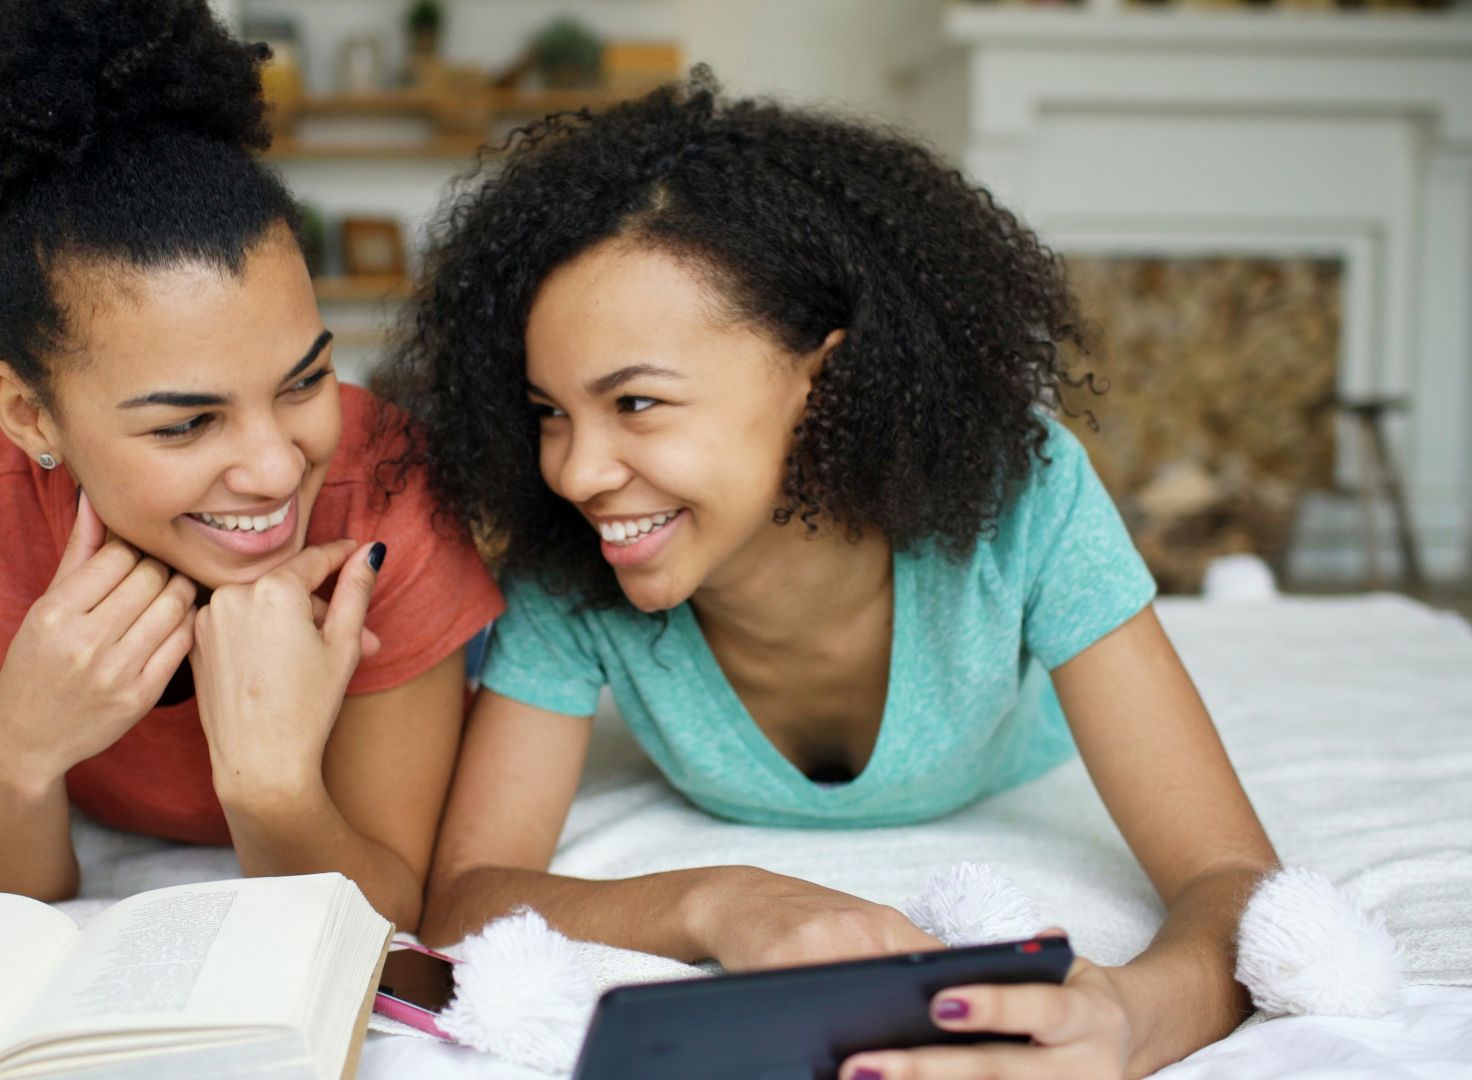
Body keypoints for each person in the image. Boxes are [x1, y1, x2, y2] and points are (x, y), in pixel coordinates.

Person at [377, 73, 1278, 1078]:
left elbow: (1231, 876)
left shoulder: (1025, 493)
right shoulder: (569, 556)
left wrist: (1133, 1017)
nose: (576, 472)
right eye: (550, 411)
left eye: (635, 403)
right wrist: (720, 900)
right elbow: (466, 897)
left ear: (824, 376)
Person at [0, 0, 501, 932]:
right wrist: (20, 748)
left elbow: (386, 911)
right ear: (30, 413)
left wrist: (270, 784)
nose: (276, 471)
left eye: (306, 379)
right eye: (187, 424)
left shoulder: (390, 484)